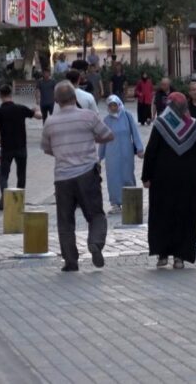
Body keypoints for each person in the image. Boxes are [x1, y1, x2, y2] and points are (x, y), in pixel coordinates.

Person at [42, 81, 113, 271]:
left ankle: (71, 261)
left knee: (65, 221)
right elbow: (108, 135)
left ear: (56, 100)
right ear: (74, 97)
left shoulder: (50, 122)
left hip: (62, 178)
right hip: (87, 174)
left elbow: (47, 148)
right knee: (96, 214)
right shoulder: (88, 117)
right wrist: (92, 138)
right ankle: (95, 243)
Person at [142, 92, 196, 269]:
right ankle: (180, 256)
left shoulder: (161, 124)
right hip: (188, 181)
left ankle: (162, 255)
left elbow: (151, 152)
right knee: (185, 216)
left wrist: (146, 176)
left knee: (162, 215)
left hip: (162, 180)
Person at [0, 84, 42, 210]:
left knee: (3, 175)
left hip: (7, 148)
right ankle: (19, 202)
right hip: (21, 146)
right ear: (11, 94)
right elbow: (38, 116)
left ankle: (6, 196)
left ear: (0, 96)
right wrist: (36, 109)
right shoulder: (21, 108)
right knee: (21, 175)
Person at [99, 95, 144, 214]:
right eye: (110, 105)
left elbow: (135, 132)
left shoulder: (127, 116)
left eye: (115, 105)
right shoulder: (106, 121)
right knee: (113, 178)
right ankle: (116, 203)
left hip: (126, 152)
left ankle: (131, 200)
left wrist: (139, 148)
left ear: (119, 104)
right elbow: (103, 139)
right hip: (111, 154)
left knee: (127, 175)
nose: (113, 108)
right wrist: (98, 157)